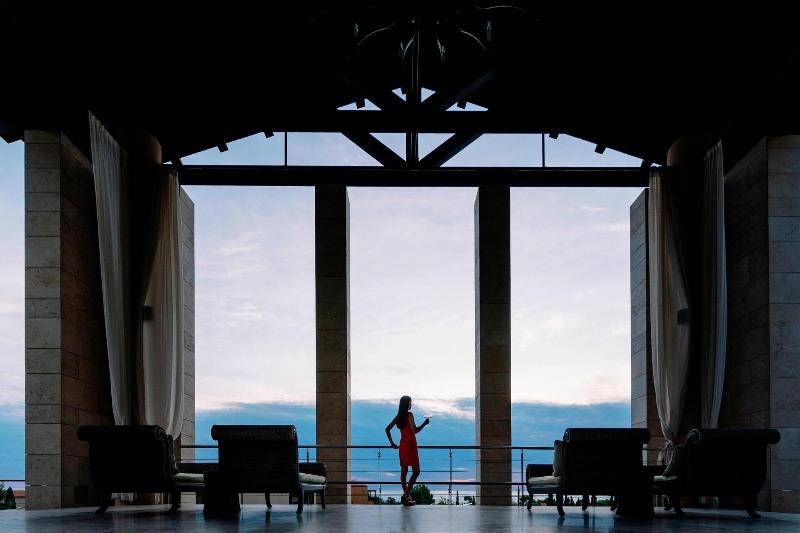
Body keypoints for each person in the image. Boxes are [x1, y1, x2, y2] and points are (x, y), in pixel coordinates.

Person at [385, 395, 430, 506]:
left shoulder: (398, 416)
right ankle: (406, 496)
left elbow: (387, 429)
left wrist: (392, 443)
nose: (411, 404)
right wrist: (424, 424)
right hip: (410, 445)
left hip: (403, 446)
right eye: (410, 402)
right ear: (407, 404)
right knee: (416, 471)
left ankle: (406, 496)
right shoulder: (409, 415)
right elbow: (414, 430)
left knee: (404, 471)